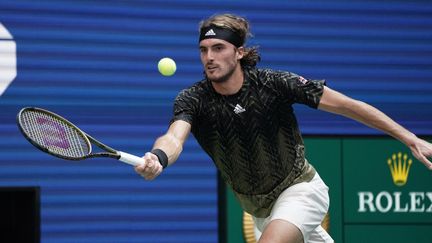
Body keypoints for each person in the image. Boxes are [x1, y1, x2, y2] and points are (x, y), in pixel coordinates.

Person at [135, 13, 432, 243]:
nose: (209, 57)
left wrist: (409, 138)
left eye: (218, 48)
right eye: (203, 50)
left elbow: (348, 105)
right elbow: (175, 136)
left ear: (239, 52)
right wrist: (159, 157)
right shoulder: (193, 99)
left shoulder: (274, 84)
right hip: (261, 212)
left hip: (301, 190)